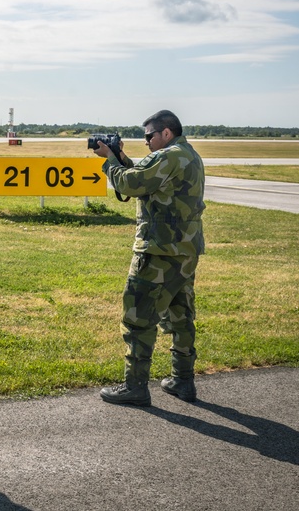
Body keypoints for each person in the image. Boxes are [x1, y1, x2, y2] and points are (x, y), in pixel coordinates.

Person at [91, 109, 205, 406]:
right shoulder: (187, 154)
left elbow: (131, 184)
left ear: (166, 133)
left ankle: (135, 387)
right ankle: (183, 379)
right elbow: (145, 178)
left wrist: (109, 160)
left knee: (138, 317)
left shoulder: (168, 156)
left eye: (149, 136)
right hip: (184, 251)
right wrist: (121, 158)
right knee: (180, 315)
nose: (146, 142)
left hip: (158, 251)